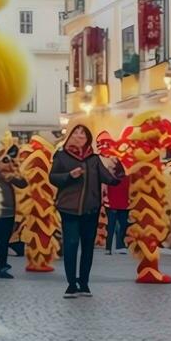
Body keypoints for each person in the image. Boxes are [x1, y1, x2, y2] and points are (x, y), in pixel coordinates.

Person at [50, 124, 123, 298]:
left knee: (88, 246)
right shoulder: (61, 156)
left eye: (83, 133)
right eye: (76, 132)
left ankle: (84, 283)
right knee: (71, 243)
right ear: (70, 136)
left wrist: (120, 170)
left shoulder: (94, 159)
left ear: (88, 138)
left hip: (91, 208)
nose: (79, 135)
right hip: (69, 208)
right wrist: (69, 175)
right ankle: (71, 284)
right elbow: (53, 177)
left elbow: (108, 178)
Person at [0, 146, 27, 278]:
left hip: (9, 212)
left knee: (4, 241)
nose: (6, 162)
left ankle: (2, 267)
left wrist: (12, 174)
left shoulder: (11, 172)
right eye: (4, 159)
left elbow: (23, 183)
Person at [103, 163, 130, 254]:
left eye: (110, 167)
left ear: (115, 169)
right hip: (123, 206)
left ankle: (108, 248)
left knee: (111, 227)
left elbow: (104, 192)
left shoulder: (108, 179)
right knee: (122, 227)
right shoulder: (127, 179)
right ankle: (120, 246)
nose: (108, 169)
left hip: (112, 206)